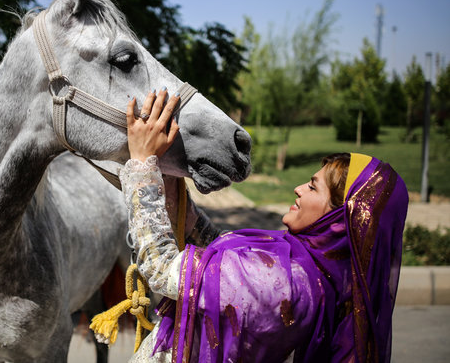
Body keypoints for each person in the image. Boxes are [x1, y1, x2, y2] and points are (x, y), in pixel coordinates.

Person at [115, 88, 409, 363]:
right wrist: (166, 178)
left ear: (338, 220)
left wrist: (142, 164)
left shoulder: (289, 283)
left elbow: (161, 268)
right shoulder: (308, 267)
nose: (298, 189)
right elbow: (213, 249)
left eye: (313, 187)